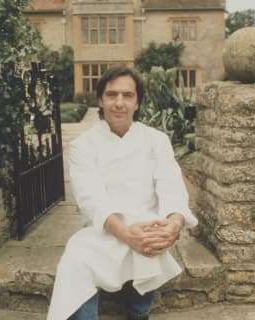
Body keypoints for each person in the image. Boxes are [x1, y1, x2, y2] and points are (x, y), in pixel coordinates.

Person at [47, 65, 198, 320]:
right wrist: (126, 233)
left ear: (137, 102)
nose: (119, 103)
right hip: (105, 230)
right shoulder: (83, 145)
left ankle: (139, 313)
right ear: (100, 100)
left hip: (148, 228)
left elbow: (171, 187)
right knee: (76, 261)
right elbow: (91, 199)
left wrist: (172, 226)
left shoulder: (156, 140)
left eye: (127, 95)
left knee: (149, 247)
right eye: (111, 95)